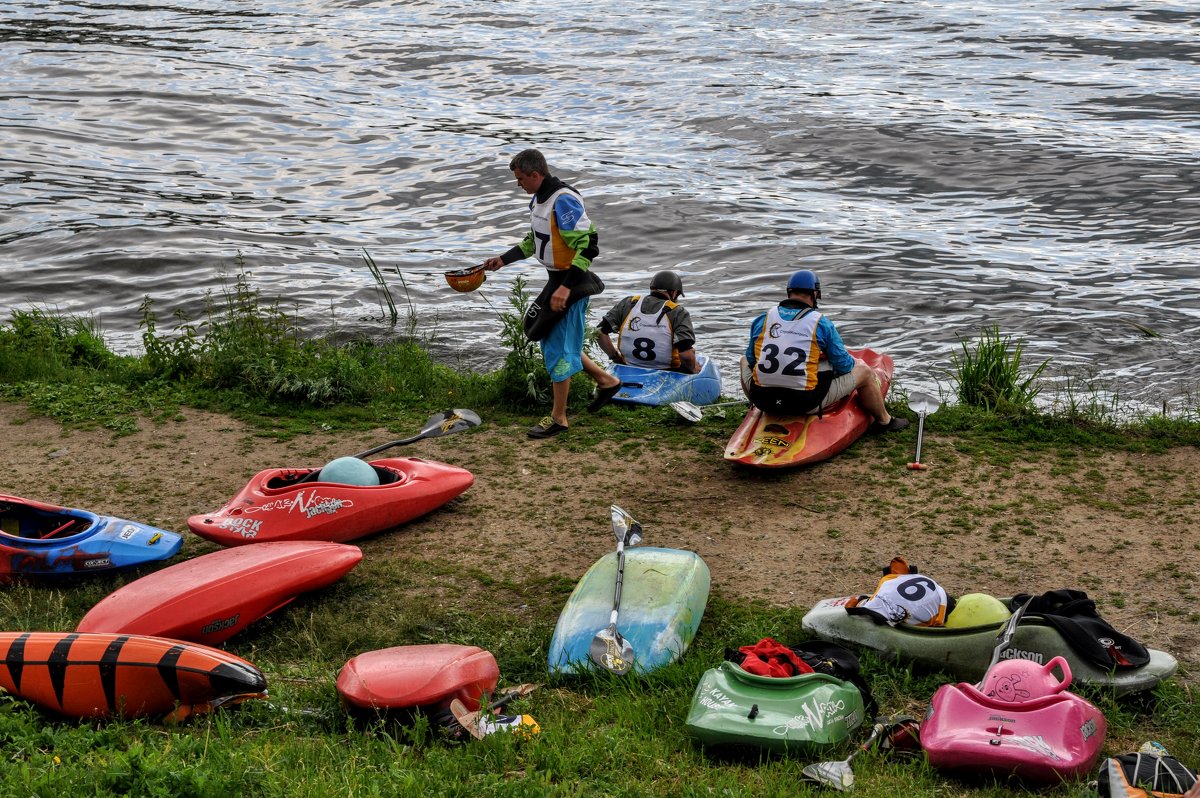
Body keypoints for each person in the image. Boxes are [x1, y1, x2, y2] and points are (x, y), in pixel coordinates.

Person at [482, 149, 621, 438]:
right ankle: (606, 381)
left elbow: (589, 245)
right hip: (556, 281)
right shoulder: (539, 200)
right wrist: (503, 260)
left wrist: (566, 287)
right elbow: (534, 241)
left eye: (520, 178)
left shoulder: (564, 200)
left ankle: (559, 418)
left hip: (572, 283)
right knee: (547, 334)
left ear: (535, 175)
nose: (518, 184)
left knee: (557, 347)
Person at [740, 269, 909, 431]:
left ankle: (755, 407)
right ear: (815, 294)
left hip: (763, 400)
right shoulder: (820, 323)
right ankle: (884, 421)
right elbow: (844, 365)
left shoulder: (763, 319)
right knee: (864, 371)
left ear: (789, 292)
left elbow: (753, 360)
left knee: (743, 360)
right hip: (805, 404)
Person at [596, 270, 699, 374]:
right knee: (692, 355)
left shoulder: (629, 303)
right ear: (674, 292)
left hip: (628, 366)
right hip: (669, 371)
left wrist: (616, 358)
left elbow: (599, 333)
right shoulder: (678, 312)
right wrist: (693, 369)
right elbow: (685, 355)